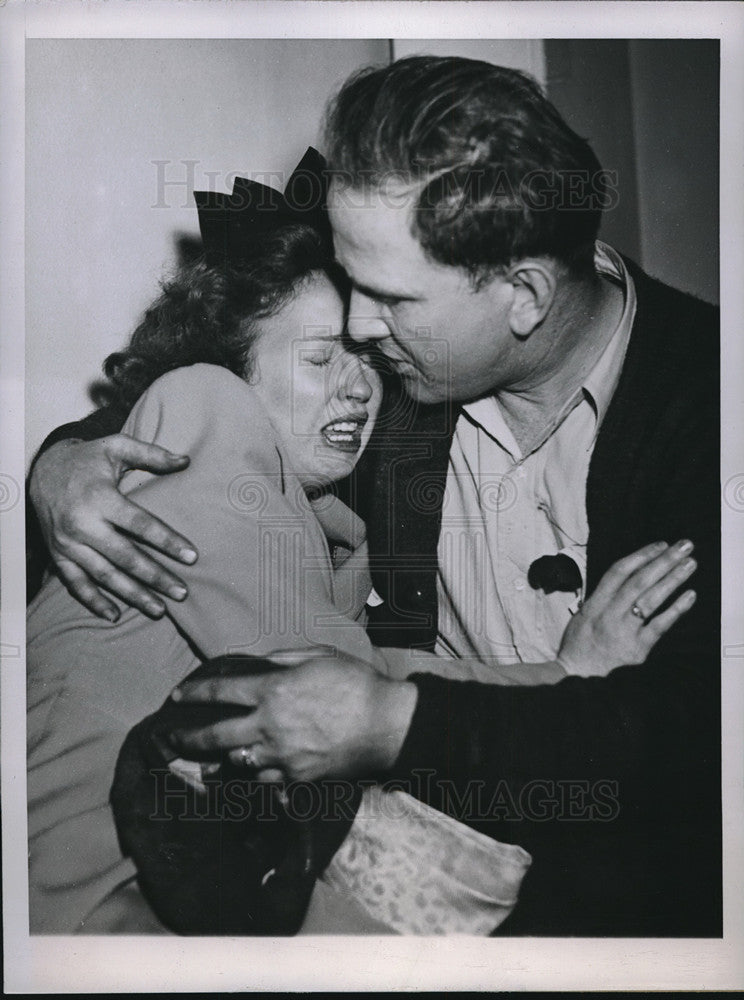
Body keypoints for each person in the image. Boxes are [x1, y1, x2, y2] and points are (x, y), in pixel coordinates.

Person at [27, 57, 720, 936]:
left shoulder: (710, 409)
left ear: (524, 295)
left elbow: (699, 737)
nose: (360, 329)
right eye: (351, 292)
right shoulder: (398, 378)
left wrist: (401, 721)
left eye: (388, 297)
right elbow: (192, 404)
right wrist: (60, 469)